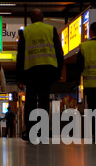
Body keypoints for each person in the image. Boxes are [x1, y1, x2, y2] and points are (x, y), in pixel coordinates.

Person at [16, 8, 64, 142]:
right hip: (47, 71)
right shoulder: (51, 30)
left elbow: (20, 56)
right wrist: (58, 72)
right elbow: (59, 53)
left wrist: (19, 77)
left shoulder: (25, 32)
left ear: (31, 19)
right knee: (43, 101)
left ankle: (31, 132)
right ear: (42, 17)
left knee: (30, 101)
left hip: (31, 71)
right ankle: (43, 132)